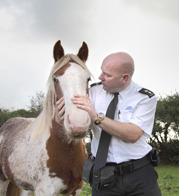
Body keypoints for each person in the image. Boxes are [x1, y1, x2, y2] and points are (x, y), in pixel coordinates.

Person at [56, 52, 161, 196]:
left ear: (124, 78)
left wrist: (96, 117)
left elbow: (133, 134)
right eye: (101, 71)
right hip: (104, 178)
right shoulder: (91, 92)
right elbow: (71, 115)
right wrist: (61, 113)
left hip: (140, 176)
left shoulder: (144, 98)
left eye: (107, 75)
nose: (100, 77)